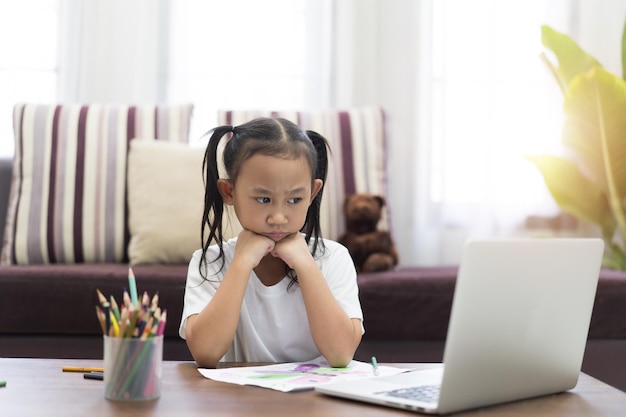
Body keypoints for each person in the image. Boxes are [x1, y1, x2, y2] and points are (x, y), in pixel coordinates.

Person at [179, 117, 364, 368]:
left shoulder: (333, 257)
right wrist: (241, 263)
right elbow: (205, 353)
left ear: (312, 193)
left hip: (314, 402)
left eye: (295, 200)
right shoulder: (210, 261)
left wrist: (305, 265)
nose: (278, 218)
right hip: (238, 401)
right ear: (229, 192)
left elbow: (341, 354)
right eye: (264, 199)